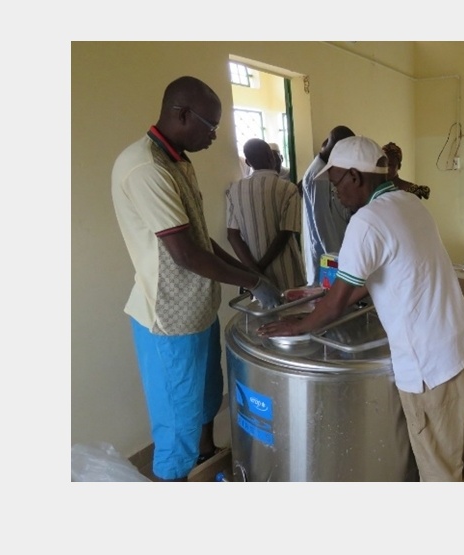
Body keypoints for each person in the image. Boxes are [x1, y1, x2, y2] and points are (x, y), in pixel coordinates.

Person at [258, 136, 464, 482]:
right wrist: (331, 296)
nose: (336, 194)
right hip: (461, 349)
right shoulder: (409, 203)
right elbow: (387, 271)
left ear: (354, 176)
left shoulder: (366, 221)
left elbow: (335, 307)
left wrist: (299, 325)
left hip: (431, 368)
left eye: (336, 185)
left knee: (440, 471)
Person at [111, 75, 279, 481]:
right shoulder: (145, 168)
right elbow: (185, 254)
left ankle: (207, 458)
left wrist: (250, 274)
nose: (215, 136)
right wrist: (254, 283)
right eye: (211, 125)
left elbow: (200, 239)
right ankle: (175, 478)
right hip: (168, 320)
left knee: (206, 401)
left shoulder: (177, 161)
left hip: (198, 309)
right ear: (182, 114)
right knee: (178, 423)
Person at [226, 138, 306, 292]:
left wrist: (254, 271)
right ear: (272, 157)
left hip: (254, 275)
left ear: (248, 163)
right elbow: (286, 233)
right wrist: (261, 268)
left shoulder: (234, 190)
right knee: (292, 312)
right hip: (286, 271)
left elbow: (232, 236)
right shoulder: (288, 189)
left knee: (262, 312)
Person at [300, 126, 355, 285]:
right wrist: (338, 260)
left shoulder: (326, 170)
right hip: (329, 258)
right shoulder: (318, 176)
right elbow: (322, 224)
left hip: (335, 253)